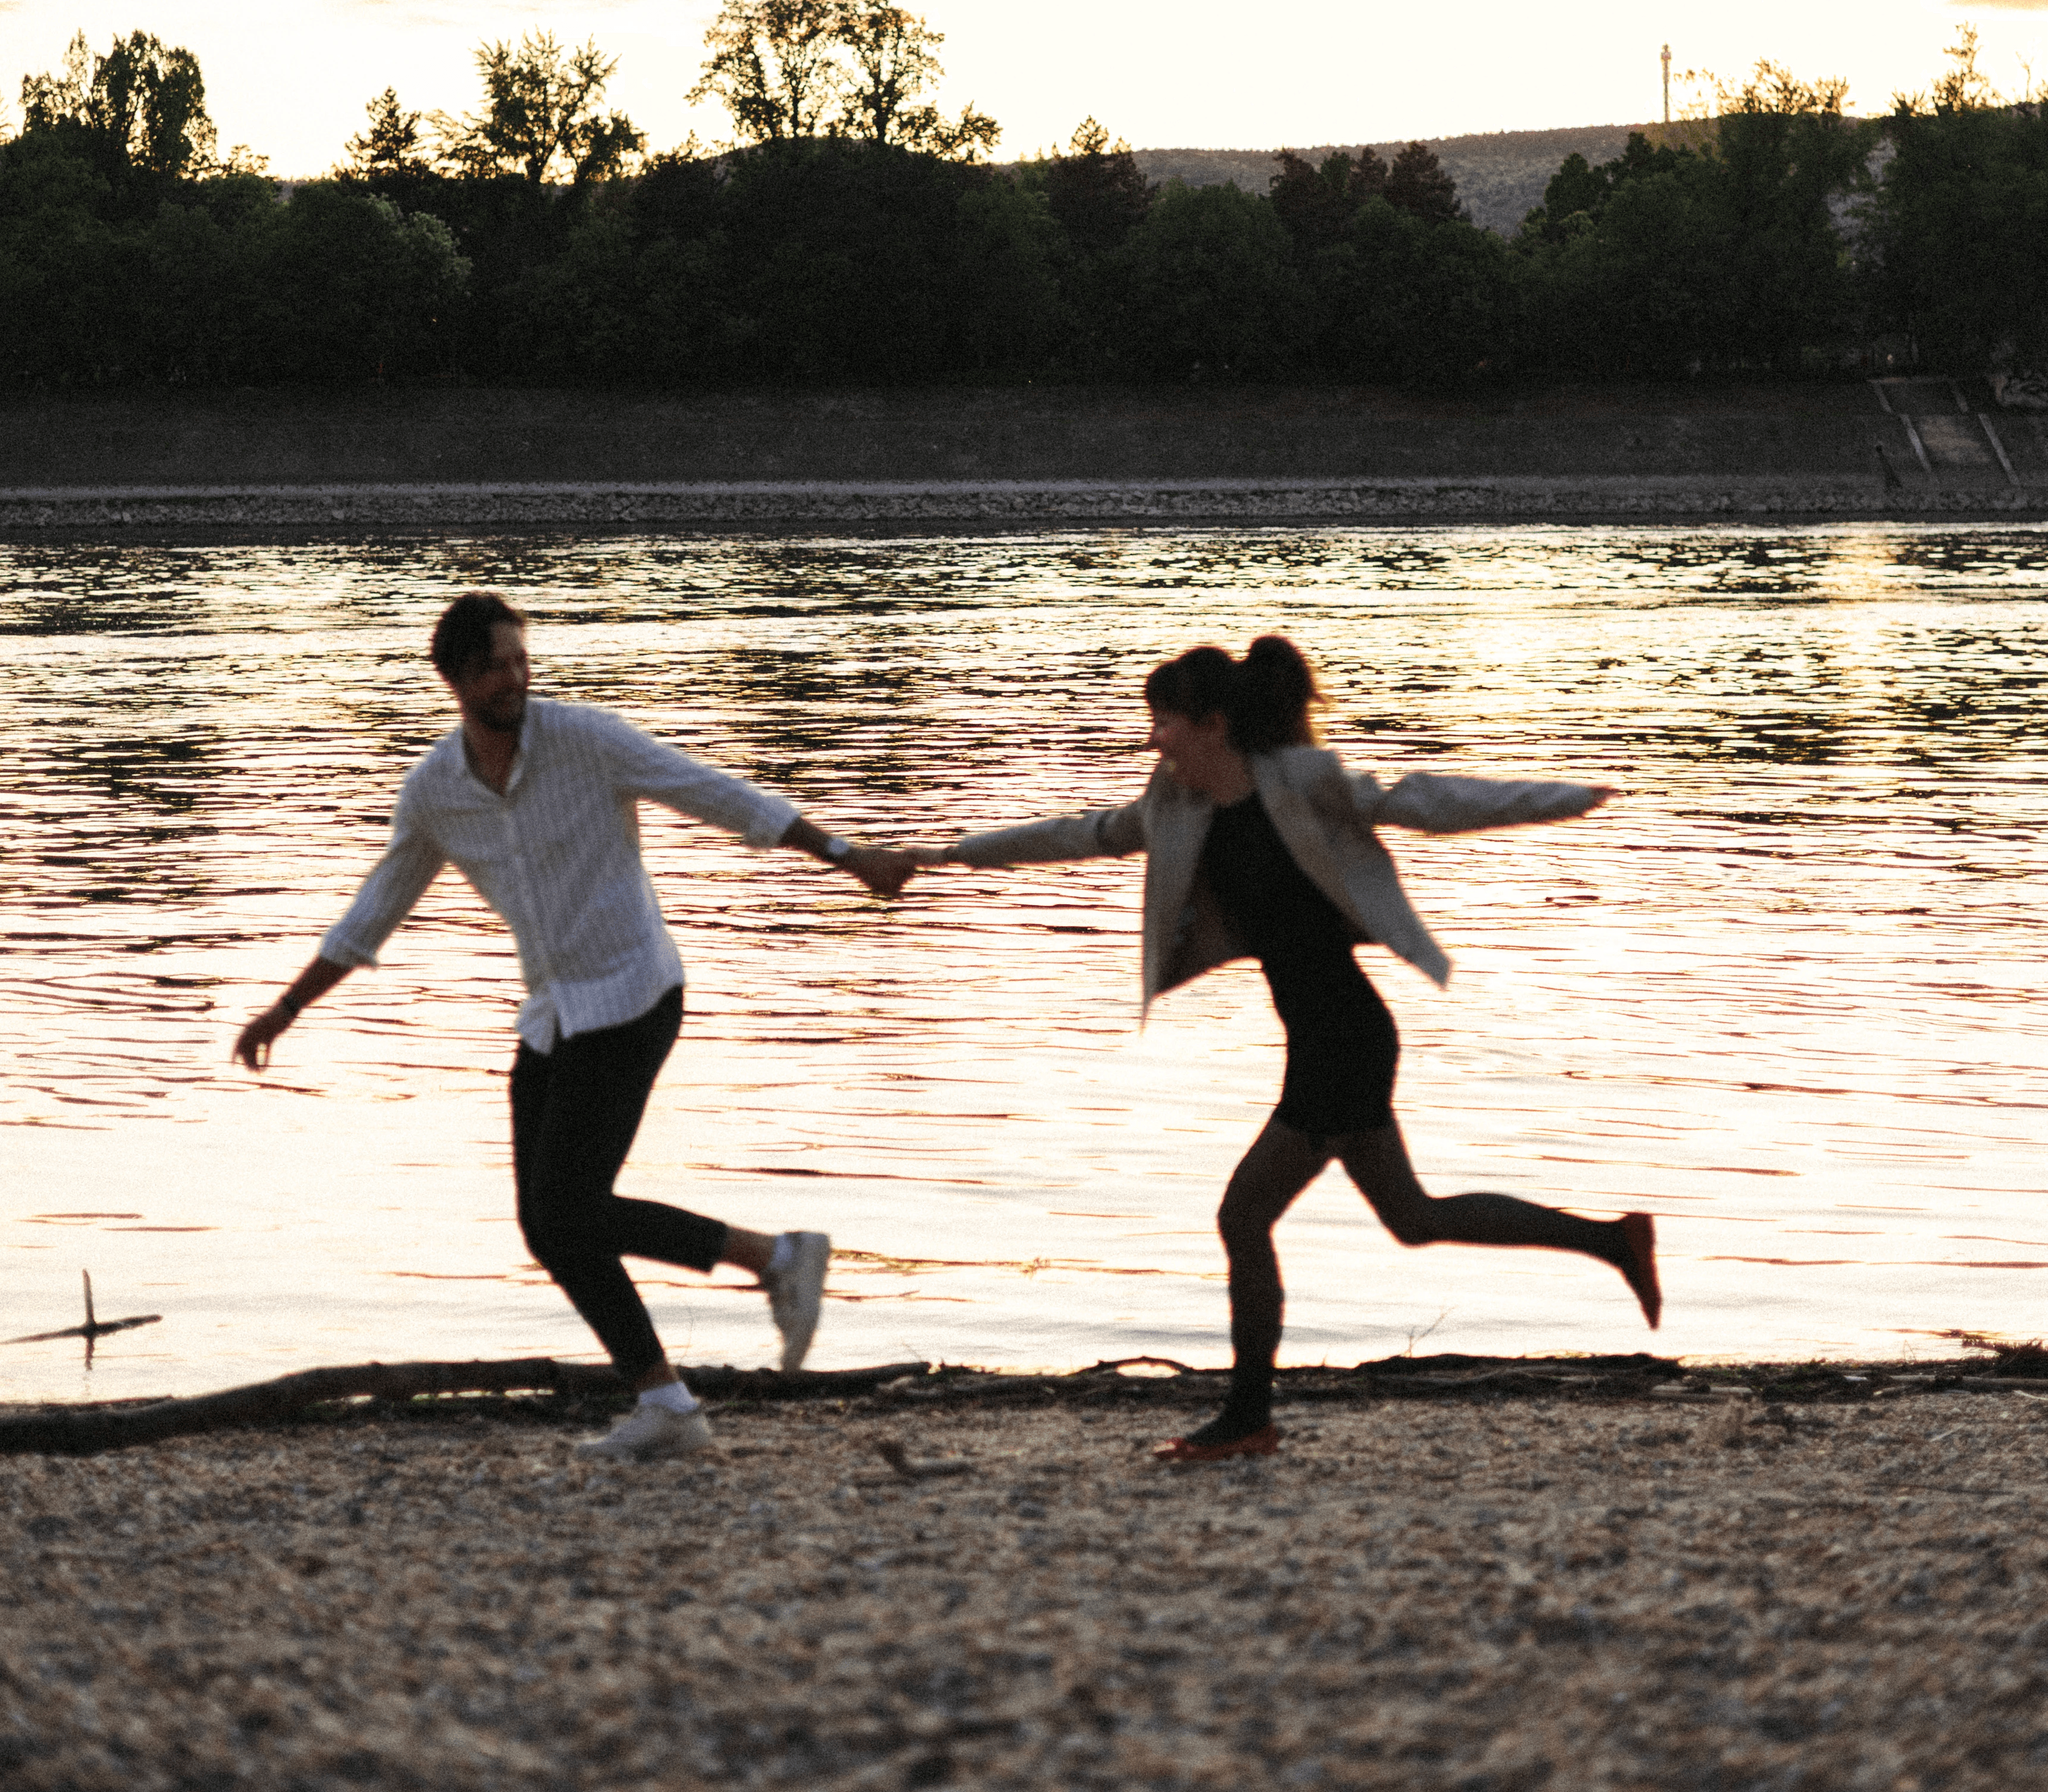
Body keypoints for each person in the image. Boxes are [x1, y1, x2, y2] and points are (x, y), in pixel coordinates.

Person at [920, 635, 1660, 1463]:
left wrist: (1557, 797)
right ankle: (1613, 1242)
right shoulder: (1176, 805)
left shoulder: (1300, 783)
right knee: (1411, 1217)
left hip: (1342, 1034)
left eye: (1162, 721)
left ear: (1211, 722)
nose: (1151, 739)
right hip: (1328, 1031)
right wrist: (942, 855)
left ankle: (1247, 1418)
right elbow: (1078, 833)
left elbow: (1420, 800)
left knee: (1243, 1214)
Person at [233, 590, 916, 1461]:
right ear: (454, 678)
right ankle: (669, 1397)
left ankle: (775, 1260)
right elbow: (376, 910)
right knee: (549, 1223)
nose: (515, 678)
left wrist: (847, 855)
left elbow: (708, 791)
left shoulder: (585, 738)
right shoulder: (437, 790)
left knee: (568, 1205)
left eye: (522, 661)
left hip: (634, 993)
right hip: (554, 1013)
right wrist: (284, 1010)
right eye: (495, 667)